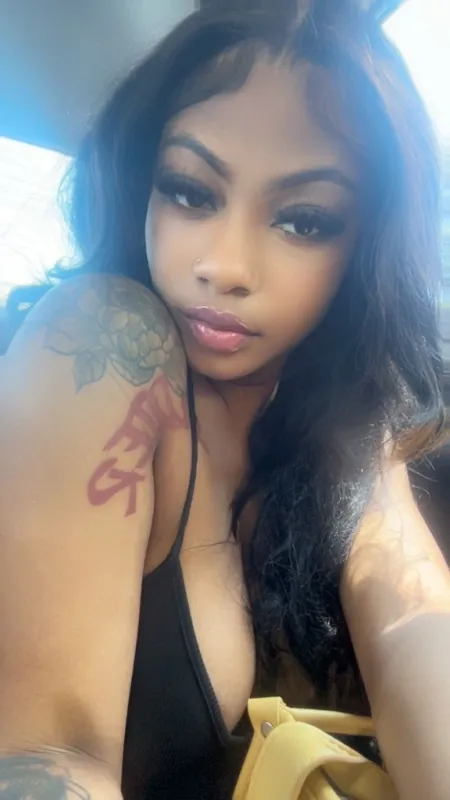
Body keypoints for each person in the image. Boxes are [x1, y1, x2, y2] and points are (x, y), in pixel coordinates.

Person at [1, 3, 450, 799]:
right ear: (141, 181)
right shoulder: (104, 341)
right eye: (189, 191)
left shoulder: (354, 426)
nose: (225, 265)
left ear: (367, 245)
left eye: (303, 221)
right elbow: (45, 752)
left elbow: (417, 628)